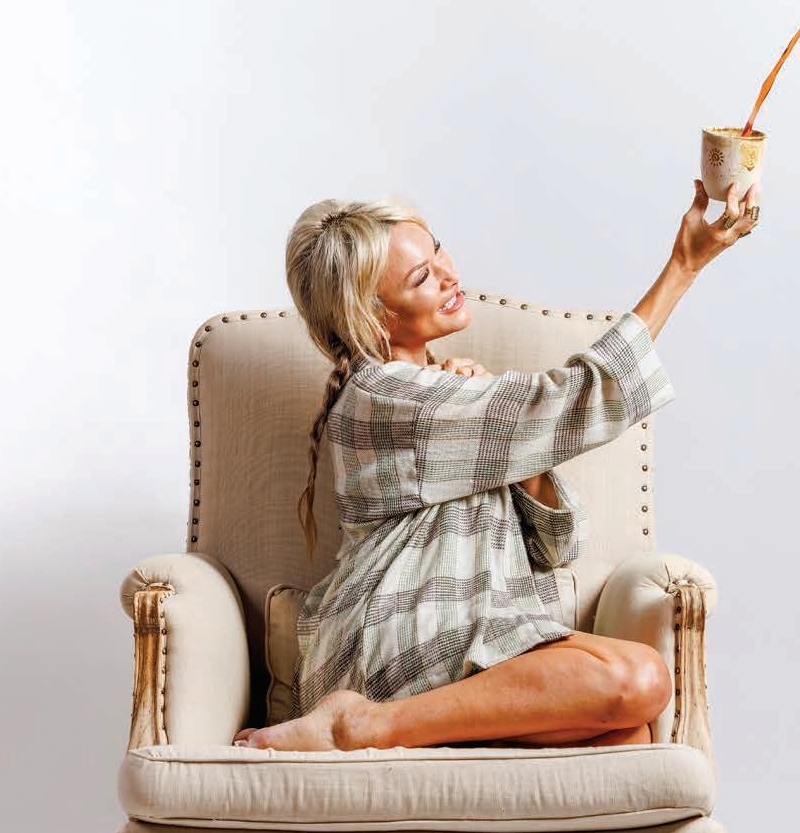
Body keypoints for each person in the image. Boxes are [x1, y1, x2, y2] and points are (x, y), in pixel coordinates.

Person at [232, 176, 761, 752]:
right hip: (401, 638)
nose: (448, 274)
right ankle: (359, 726)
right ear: (375, 317)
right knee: (640, 680)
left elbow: (555, 546)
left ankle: (407, 739)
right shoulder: (386, 394)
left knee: (626, 732)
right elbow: (574, 399)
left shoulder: (445, 392)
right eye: (421, 278)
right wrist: (685, 264)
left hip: (482, 641)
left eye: (437, 250)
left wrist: (510, 444)